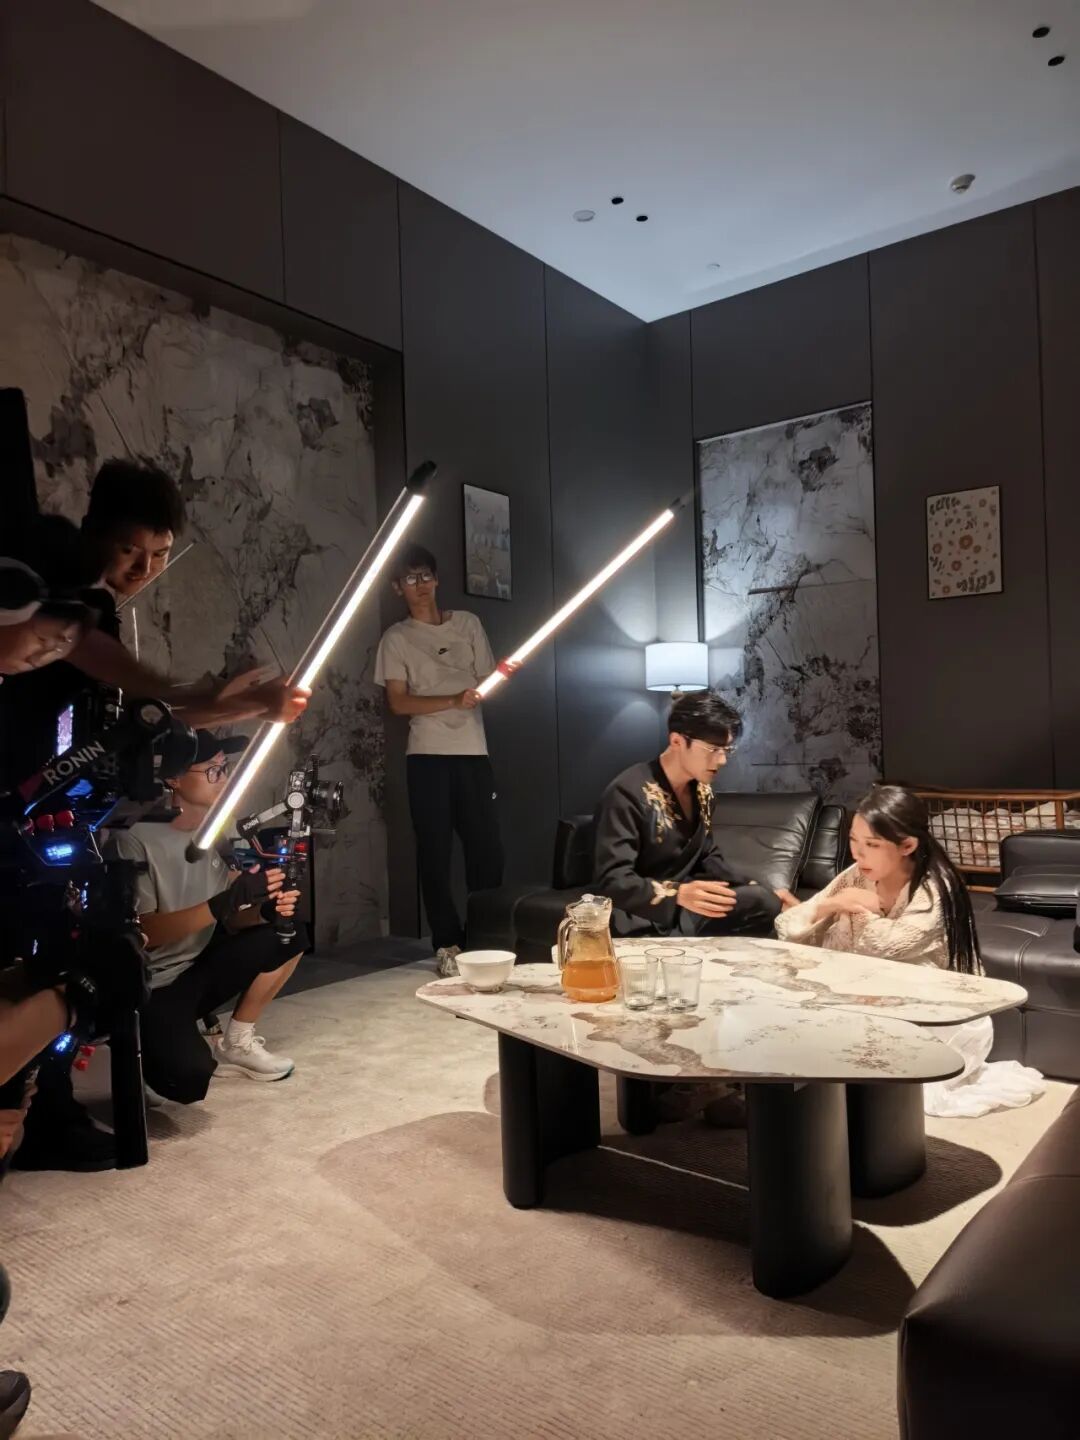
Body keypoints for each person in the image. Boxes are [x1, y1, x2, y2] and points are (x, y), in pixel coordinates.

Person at [776, 784, 1046, 1117]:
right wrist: (832, 904)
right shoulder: (856, 876)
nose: (858, 854)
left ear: (907, 845)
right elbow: (788, 926)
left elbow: (886, 946)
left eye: (872, 845)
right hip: (871, 998)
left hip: (935, 1015)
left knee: (862, 1084)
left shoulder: (935, 888)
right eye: (853, 841)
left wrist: (857, 910)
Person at [108, 731, 307, 1101]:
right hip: (156, 982)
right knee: (188, 1082)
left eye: (225, 768)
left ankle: (237, 1041)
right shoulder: (134, 838)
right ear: (173, 778)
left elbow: (231, 921)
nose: (224, 778)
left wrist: (261, 911)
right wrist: (222, 903)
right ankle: (142, 1048)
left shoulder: (221, 828)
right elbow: (145, 933)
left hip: (199, 962)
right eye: (213, 770)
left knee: (288, 932)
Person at [375, 544, 505, 976]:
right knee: (434, 853)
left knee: (486, 851)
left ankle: (485, 939)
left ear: (437, 579)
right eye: (410, 579)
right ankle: (447, 942)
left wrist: (495, 682)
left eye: (426, 576)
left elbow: (487, 680)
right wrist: (452, 699)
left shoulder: (468, 624)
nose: (421, 585)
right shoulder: (396, 639)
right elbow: (398, 702)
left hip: (473, 752)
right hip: (427, 757)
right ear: (397, 587)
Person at [594, 690, 795, 939]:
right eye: (712, 749)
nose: (722, 760)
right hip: (640, 915)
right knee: (762, 903)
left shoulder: (702, 792)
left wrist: (755, 886)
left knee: (764, 902)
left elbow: (708, 856)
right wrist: (677, 894)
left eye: (726, 750)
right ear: (677, 742)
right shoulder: (627, 792)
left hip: (686, 910)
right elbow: (613, 880)